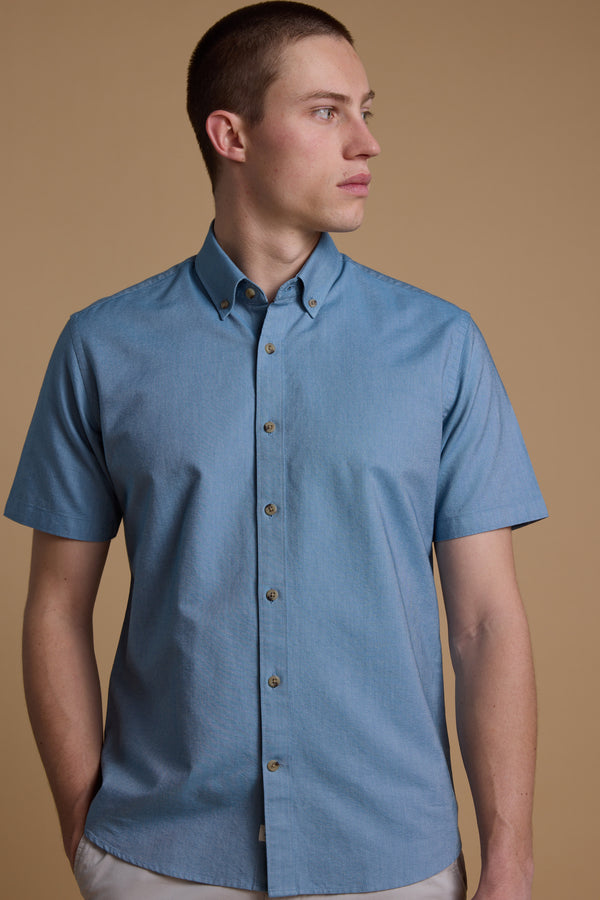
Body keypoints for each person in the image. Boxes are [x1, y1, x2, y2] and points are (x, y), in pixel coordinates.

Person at [5, 3, 547, 899]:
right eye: (328, 111)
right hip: (159, 862)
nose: (367, 143)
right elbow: (56, 609)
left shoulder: (442, 346)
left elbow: (487, 622)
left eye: (368, 110)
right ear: (232, 134)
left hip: (394, 865)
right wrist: (86, 834)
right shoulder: (102, 347)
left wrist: (511, 864)